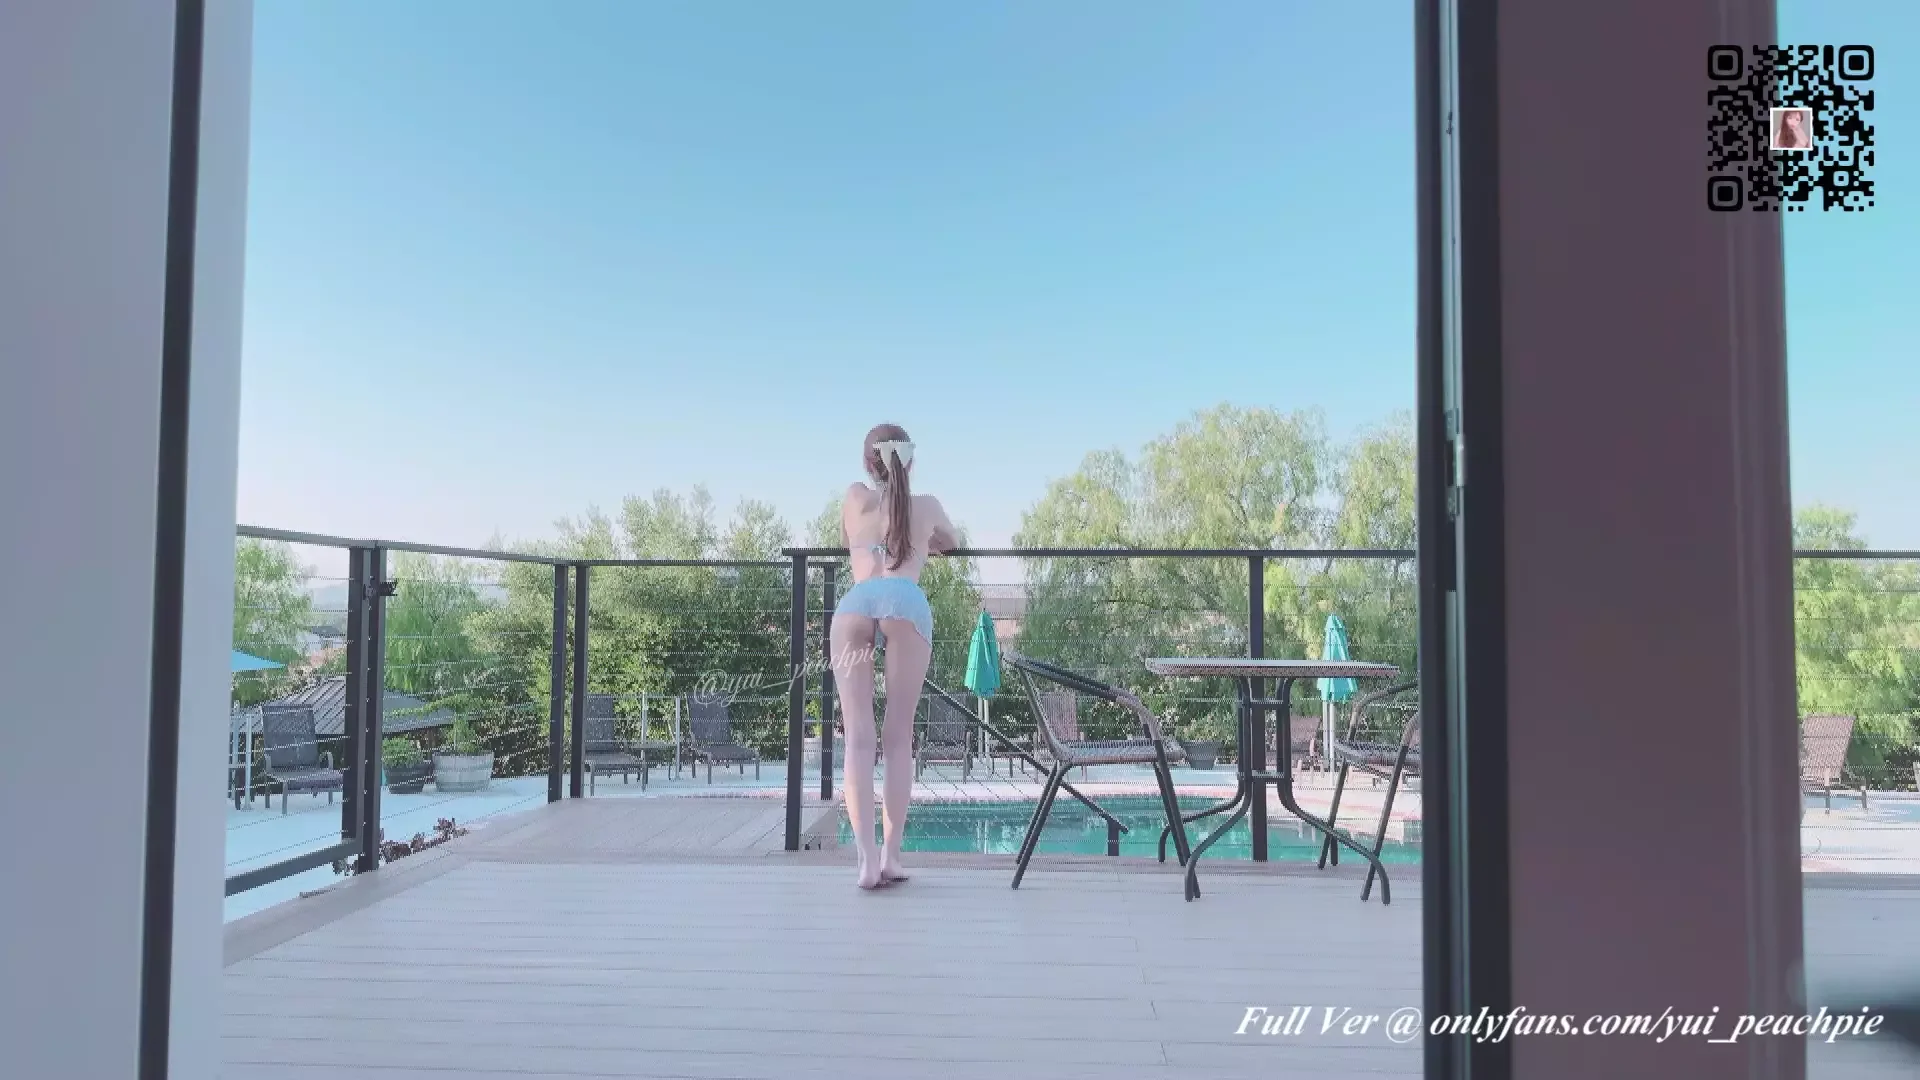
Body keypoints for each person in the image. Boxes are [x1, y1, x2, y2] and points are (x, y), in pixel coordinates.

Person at [831, 423, 958, 890]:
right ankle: (891, 856)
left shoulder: (854, 498)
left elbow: (847, 538)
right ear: (910, 460)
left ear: (868, 462)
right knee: (898, 736)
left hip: (854, 604)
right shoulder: (928, 506)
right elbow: (953, 541)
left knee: (858, 739)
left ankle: (865, 861)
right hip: (905, 601)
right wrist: (923, 538)